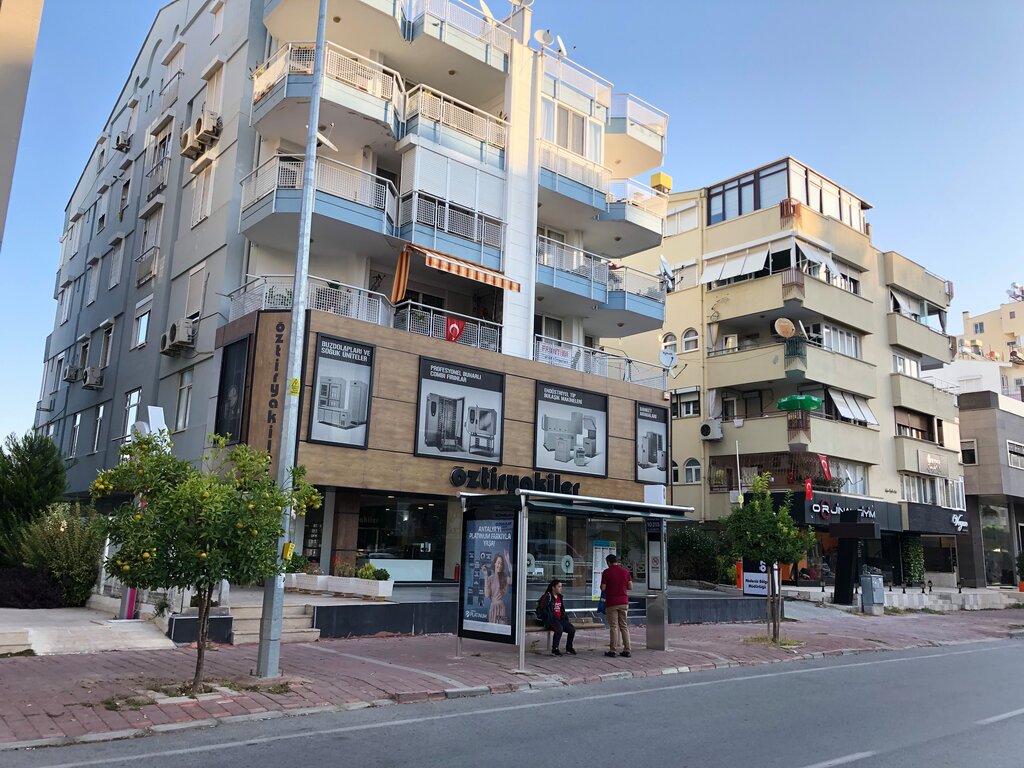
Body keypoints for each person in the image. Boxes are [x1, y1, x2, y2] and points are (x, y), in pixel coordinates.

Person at [600, 553, 632, 658]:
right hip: (624, 602)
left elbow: (603, 588)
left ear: (608, 562)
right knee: (624, 626)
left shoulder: (606, 572)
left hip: (612, 602)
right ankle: (627, 650)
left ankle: (612, 650)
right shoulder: (625, 571)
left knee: (613, 626)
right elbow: (630, 586)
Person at [539, 579, 576, 656]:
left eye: (561, 586)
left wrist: (564, 617)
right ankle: (555, 649)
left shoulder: (560, 597)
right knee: (559, 629)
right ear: (553, 587)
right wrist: (547, 617)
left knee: (572, 629)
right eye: (559, 586)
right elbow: (541, 608)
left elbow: (561, 609)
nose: (560, 588)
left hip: (560, 619)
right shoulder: (547, 596)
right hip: (551, 620)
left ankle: (569, 648)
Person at [484, 550, 512, 625]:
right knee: (492, 630)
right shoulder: (490, 578)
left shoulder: (504, 577)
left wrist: (508, 562)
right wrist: (485, 576)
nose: (499, 565)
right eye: (498, 563)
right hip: (493, 608)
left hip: (501, 608)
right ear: (494, 563)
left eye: (501, 564)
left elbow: (513, 580)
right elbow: (487, 595)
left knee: (501, 629)